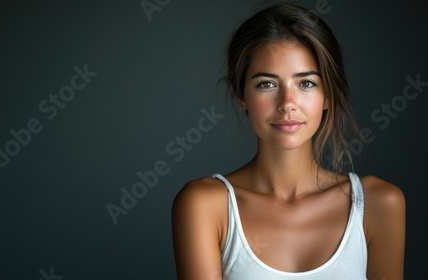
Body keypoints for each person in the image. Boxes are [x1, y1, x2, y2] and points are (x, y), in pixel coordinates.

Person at [171, 2, 405, 280]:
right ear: (242, 95)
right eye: (266, 84)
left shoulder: (379, 203)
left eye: (306, 83)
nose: (287, 104)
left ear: (328, 94)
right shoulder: (204, 205)